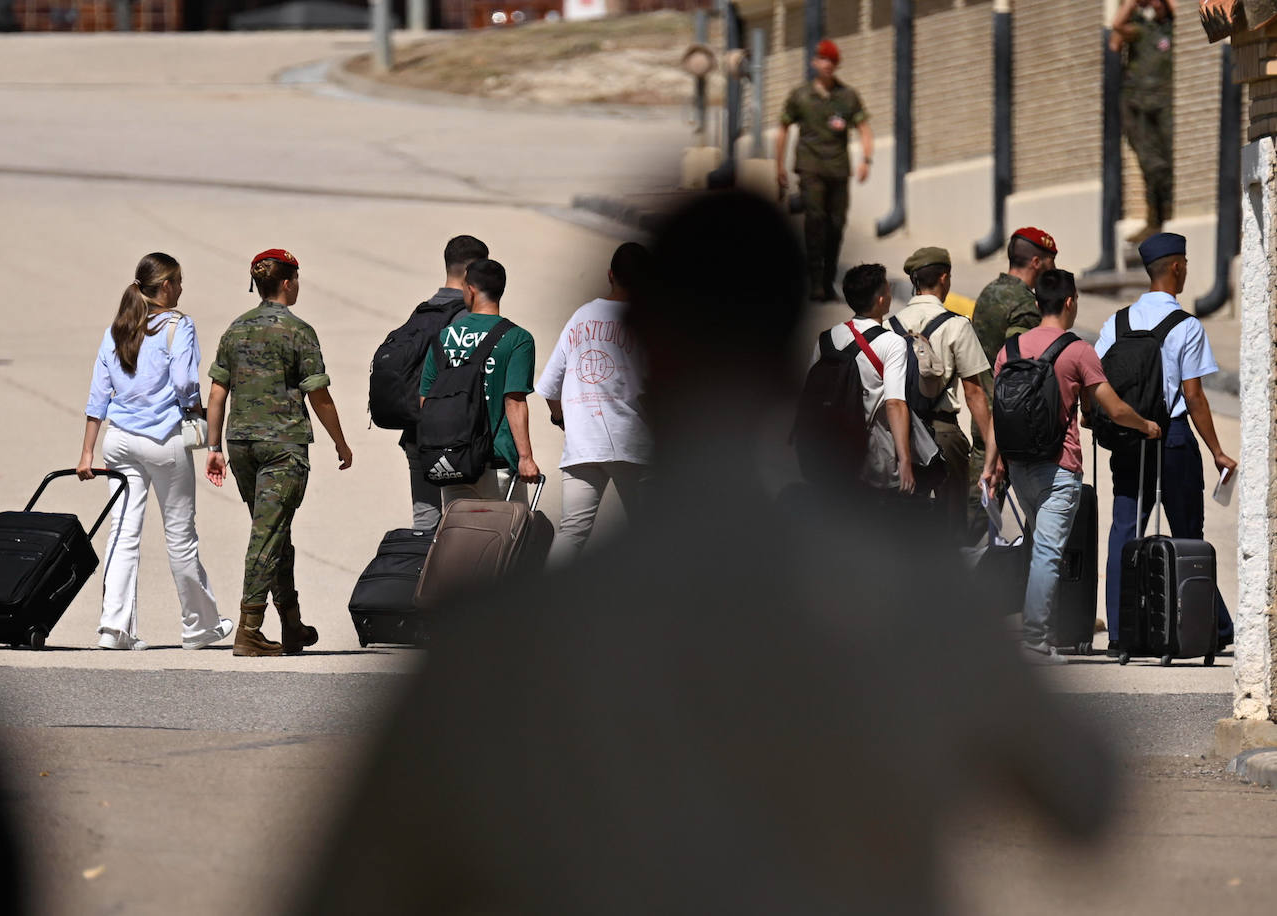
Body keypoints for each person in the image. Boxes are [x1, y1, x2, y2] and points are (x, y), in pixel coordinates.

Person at [297, 192, 1114, 916]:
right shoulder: (906, 598)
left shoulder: (499, 642)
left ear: (645, 342)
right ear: (787, 351)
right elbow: (1086, 799)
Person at [982, 270, 1160, 662]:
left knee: (1038, 550)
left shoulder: (1009, 351)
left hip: (1020, 469)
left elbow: (998, 413)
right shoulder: (1078, 351)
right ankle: (1034, 638)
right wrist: (1146, 425)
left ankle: (1037, 633)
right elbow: (1112, 407)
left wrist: (992, 466)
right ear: (1069, 301)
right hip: (1059, 470)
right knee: (1048, 554)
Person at [78, 252, 231, 651]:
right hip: (162, 441)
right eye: (178, 282)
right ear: (165, 287)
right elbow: (183, 380)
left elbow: (98, 394)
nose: (182, 289)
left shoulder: (118, 328)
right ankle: (199, 627)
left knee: (122, 533)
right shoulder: (179, 326)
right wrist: (194, 407)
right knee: (180, 536)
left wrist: (87, 453)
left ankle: (113, 629)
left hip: (119, 441)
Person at [205, 249, 353, 658]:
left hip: (240, 445)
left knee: (275, 530)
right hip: (282, 448)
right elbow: (318, 393)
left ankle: (291, 624)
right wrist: (340, 441)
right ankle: (250, 629)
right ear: (287, 283)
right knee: (267, 534)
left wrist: (214, 446)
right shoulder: (298, 330)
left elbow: (218, 392)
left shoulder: (235, 330)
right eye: (298, 280)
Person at [1094, 232, 1236, 654]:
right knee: (1188, 534)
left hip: (1130, 437)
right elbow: (1193, 395)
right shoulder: (1187, 326)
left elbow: (1099, 380)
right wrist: (1216, 450)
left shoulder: (1116, 322)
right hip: (1172, 438)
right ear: (1176, 267)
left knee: (1124, 530)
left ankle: (1121, 633)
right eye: (1186, 264)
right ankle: (1210, 628)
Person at [534, 243, 651, 565]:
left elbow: (550, 386)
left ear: (610, 274)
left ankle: (545, 606)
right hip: (634, 443)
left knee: (572, 532)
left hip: (583, 444)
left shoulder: (581, 316)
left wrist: (562, 420)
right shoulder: (644, 321)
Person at [886, 246, 994, 544]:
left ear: (915, 281)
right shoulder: (957, 325)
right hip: (943, 435)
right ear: (944, 278)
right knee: (950, 527)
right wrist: (991, 452)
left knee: (903, 522)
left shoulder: (889, 327)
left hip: (899, 433)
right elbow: (974, 393)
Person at [419, 258, 539, 504]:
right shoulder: (517, 338)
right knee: (506, 538)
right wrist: (525, 458)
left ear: (470, 290)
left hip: (453, 460)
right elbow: (514, 401)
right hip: (497, 460)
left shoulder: (444, 337)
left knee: (460, 536)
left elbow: (426, 401)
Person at [397, 235, 488, 531]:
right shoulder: (467, 318)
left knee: (425, 523)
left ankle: (421, 575)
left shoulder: (422, 311)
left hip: (417, 432)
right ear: (472, 270)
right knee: (464, 525)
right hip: (456, 438)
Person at [968, 227, 1056, 531]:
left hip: (984, 419)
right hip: (1005, 426)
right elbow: (1017, 377)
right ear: (1035, 262)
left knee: (975, 516)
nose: (1052, 269)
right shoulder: (1023, 305)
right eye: (1049, 262)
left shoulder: (989, 292)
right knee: (986, 522)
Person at [775, 38, 874, 303]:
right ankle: (816, 281)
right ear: (815, 62)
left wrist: (866, 159)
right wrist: (778, 165)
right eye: (823, 59)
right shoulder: (801, 96)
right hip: (810, 168)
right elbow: (783, 129)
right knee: (815, 220)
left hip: (838, 170)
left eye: (832, 60)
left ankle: (829, 279)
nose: (828, 64)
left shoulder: (847, 96)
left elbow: (864, 128)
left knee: (836, 225)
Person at [814, 262, 915, 500]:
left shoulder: (827, 338)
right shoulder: (892, 343)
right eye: (888, 288)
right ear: (881, 299)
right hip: (873, 460)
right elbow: (895, 404)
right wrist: (906, 461)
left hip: (829, 453)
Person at [1111, 0, 1175, 242]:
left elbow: (1182, 17)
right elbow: (1116, 28)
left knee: (1168, 162)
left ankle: (1169, 215)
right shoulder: (1142, 29)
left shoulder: (1171, 29)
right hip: (1138, 105)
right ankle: (1154, 220)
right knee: (1149, 163)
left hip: (1165, 105)